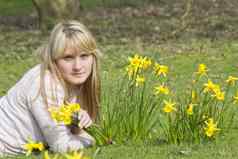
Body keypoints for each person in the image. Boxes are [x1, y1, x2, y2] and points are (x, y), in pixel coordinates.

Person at [0, 20, 101, 156]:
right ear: (54, 59)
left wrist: (76, 124)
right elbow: (61, 145)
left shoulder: (74, 82)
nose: (78, 66)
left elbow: (70, 130)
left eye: (84, 56)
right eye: (68, 58)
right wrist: (92, 141)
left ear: (93, 57)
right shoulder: (45, 84)